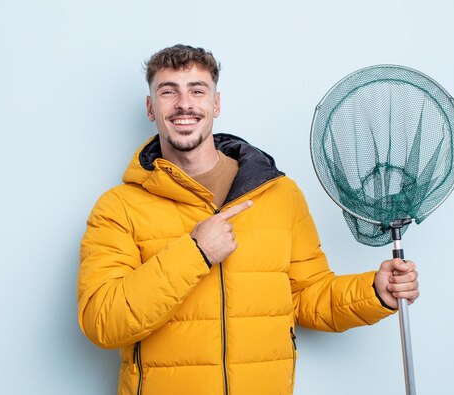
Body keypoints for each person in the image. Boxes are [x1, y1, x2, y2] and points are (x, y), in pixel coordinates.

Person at [77, 44, 419, 395]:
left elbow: (306, 296)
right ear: (151, 108)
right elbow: (103, 321)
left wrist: (374, 292)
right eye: (168, 92)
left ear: (216, 103)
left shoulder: (279, 194)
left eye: (197, 90)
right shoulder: (118, 208)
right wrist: (196, 252)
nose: (184, 104)